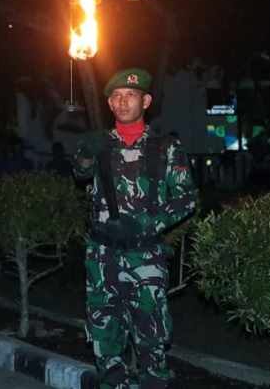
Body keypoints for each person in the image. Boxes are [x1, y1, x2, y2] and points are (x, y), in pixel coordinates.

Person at [73, 68, 196, 389]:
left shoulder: (166, 147)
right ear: (110, 105)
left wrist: (143, 223)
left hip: (146, 258)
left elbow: (186, 199)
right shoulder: (102, 143)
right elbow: (80, 173)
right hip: (103, 257)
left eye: (130, 95)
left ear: (146, 100)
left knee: (151, 338)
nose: (123, 101)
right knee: (105, 338)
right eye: (115, 97)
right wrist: (87, 153)